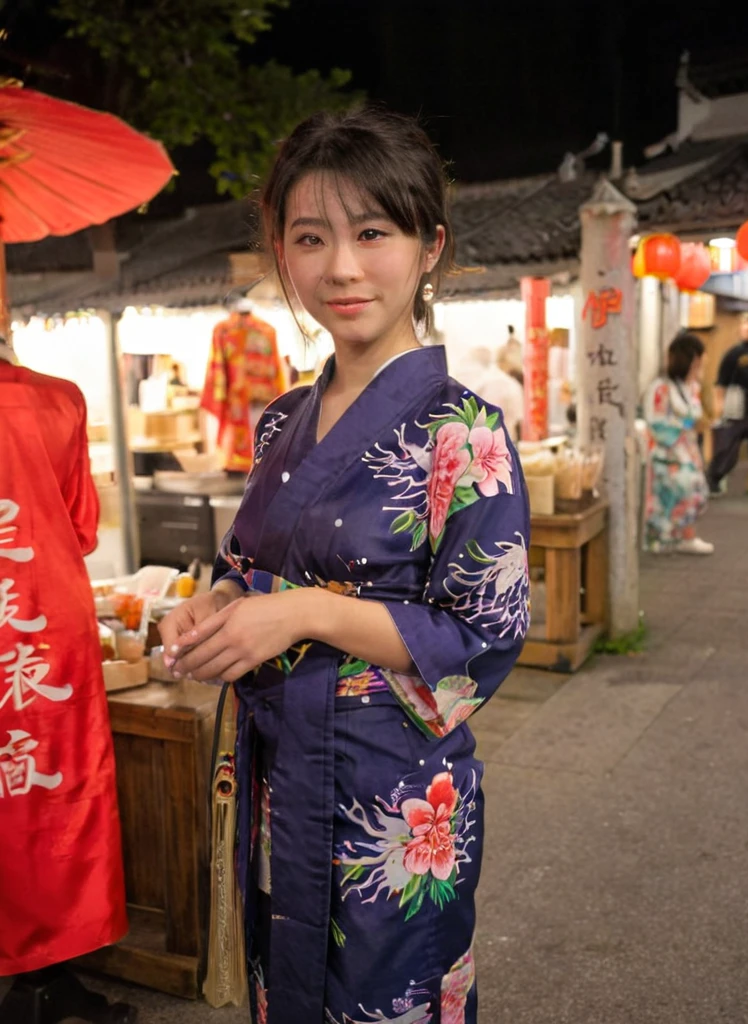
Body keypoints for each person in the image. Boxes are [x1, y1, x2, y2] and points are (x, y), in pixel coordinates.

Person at [159, 108, 531, 1024]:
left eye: (373, 233)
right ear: (281, 253)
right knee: (285, 983)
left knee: (386, 993)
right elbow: (247, 562)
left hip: (391, 787)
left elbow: (482, 632)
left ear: (429, 244)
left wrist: (301, 616)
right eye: (310, 237)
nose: (343, 268)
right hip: (281, 772)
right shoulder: (282, 419)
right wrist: (210, 606)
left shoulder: (463, 432)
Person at [0, 341, 131, 1022]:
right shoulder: (56, 398)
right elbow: (80, 527)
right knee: (55, 788)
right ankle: (47, 979)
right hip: (41, 631)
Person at [643, 331, 712, 554]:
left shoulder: (692, 387)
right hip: (667, 454)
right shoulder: (661, 388)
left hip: (688, 452)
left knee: (695, 492)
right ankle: (663, 539)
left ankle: (684, 536)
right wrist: (688, 426)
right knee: (672, 496)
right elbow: (657, 423)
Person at [707, 309, 748, 502]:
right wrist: (719, 409)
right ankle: (715, 480)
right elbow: (720, 384)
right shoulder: (733, 353)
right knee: (726, 450)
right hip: (734, 411)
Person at [461, 345, 524, 440]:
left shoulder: (482, 380)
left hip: (477, 442)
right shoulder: (510, 385)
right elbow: (519, 420)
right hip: (501, 445)